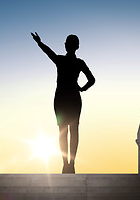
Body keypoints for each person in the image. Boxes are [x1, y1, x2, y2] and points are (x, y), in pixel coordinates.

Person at [31, 32, 95, 173]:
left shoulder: (61, 60)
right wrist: (82, 89)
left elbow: (48, 52)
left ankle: (65, 164)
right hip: (73, 98)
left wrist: (39, 42)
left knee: (63, 131)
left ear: (67, 45)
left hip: (61, 99)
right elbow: (92, 80)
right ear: (77, 46)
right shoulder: (79, 63)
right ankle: (71, 163)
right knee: (74, 131)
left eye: (67, 42)